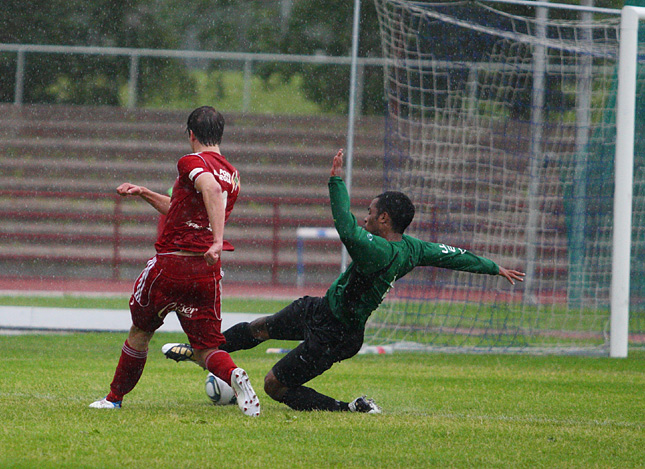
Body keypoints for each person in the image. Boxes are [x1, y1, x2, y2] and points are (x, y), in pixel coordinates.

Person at [163, 149, 525, 414]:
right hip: (322, 309)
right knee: (261, 328)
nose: (364, 217)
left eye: (369, 212)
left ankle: (350, 409)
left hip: (338, 334)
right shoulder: (414, 248)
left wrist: (336, 182)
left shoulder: (380, 253)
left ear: (384, 219)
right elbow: (454, 256)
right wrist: (494, 267)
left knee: (275, 386)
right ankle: (201, 350)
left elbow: (346, 228)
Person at [90, 106, 260, 417]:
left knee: (140, 333)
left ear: (191, 134)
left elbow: (209, 187)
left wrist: (218, 242)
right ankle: (234, 375)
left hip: (171, 265)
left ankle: (114, 398)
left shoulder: (191, 161)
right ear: (220, 135)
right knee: (206, 348)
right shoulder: (234, 175)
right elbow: (183, 209)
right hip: (205, 273)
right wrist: (144, 192)